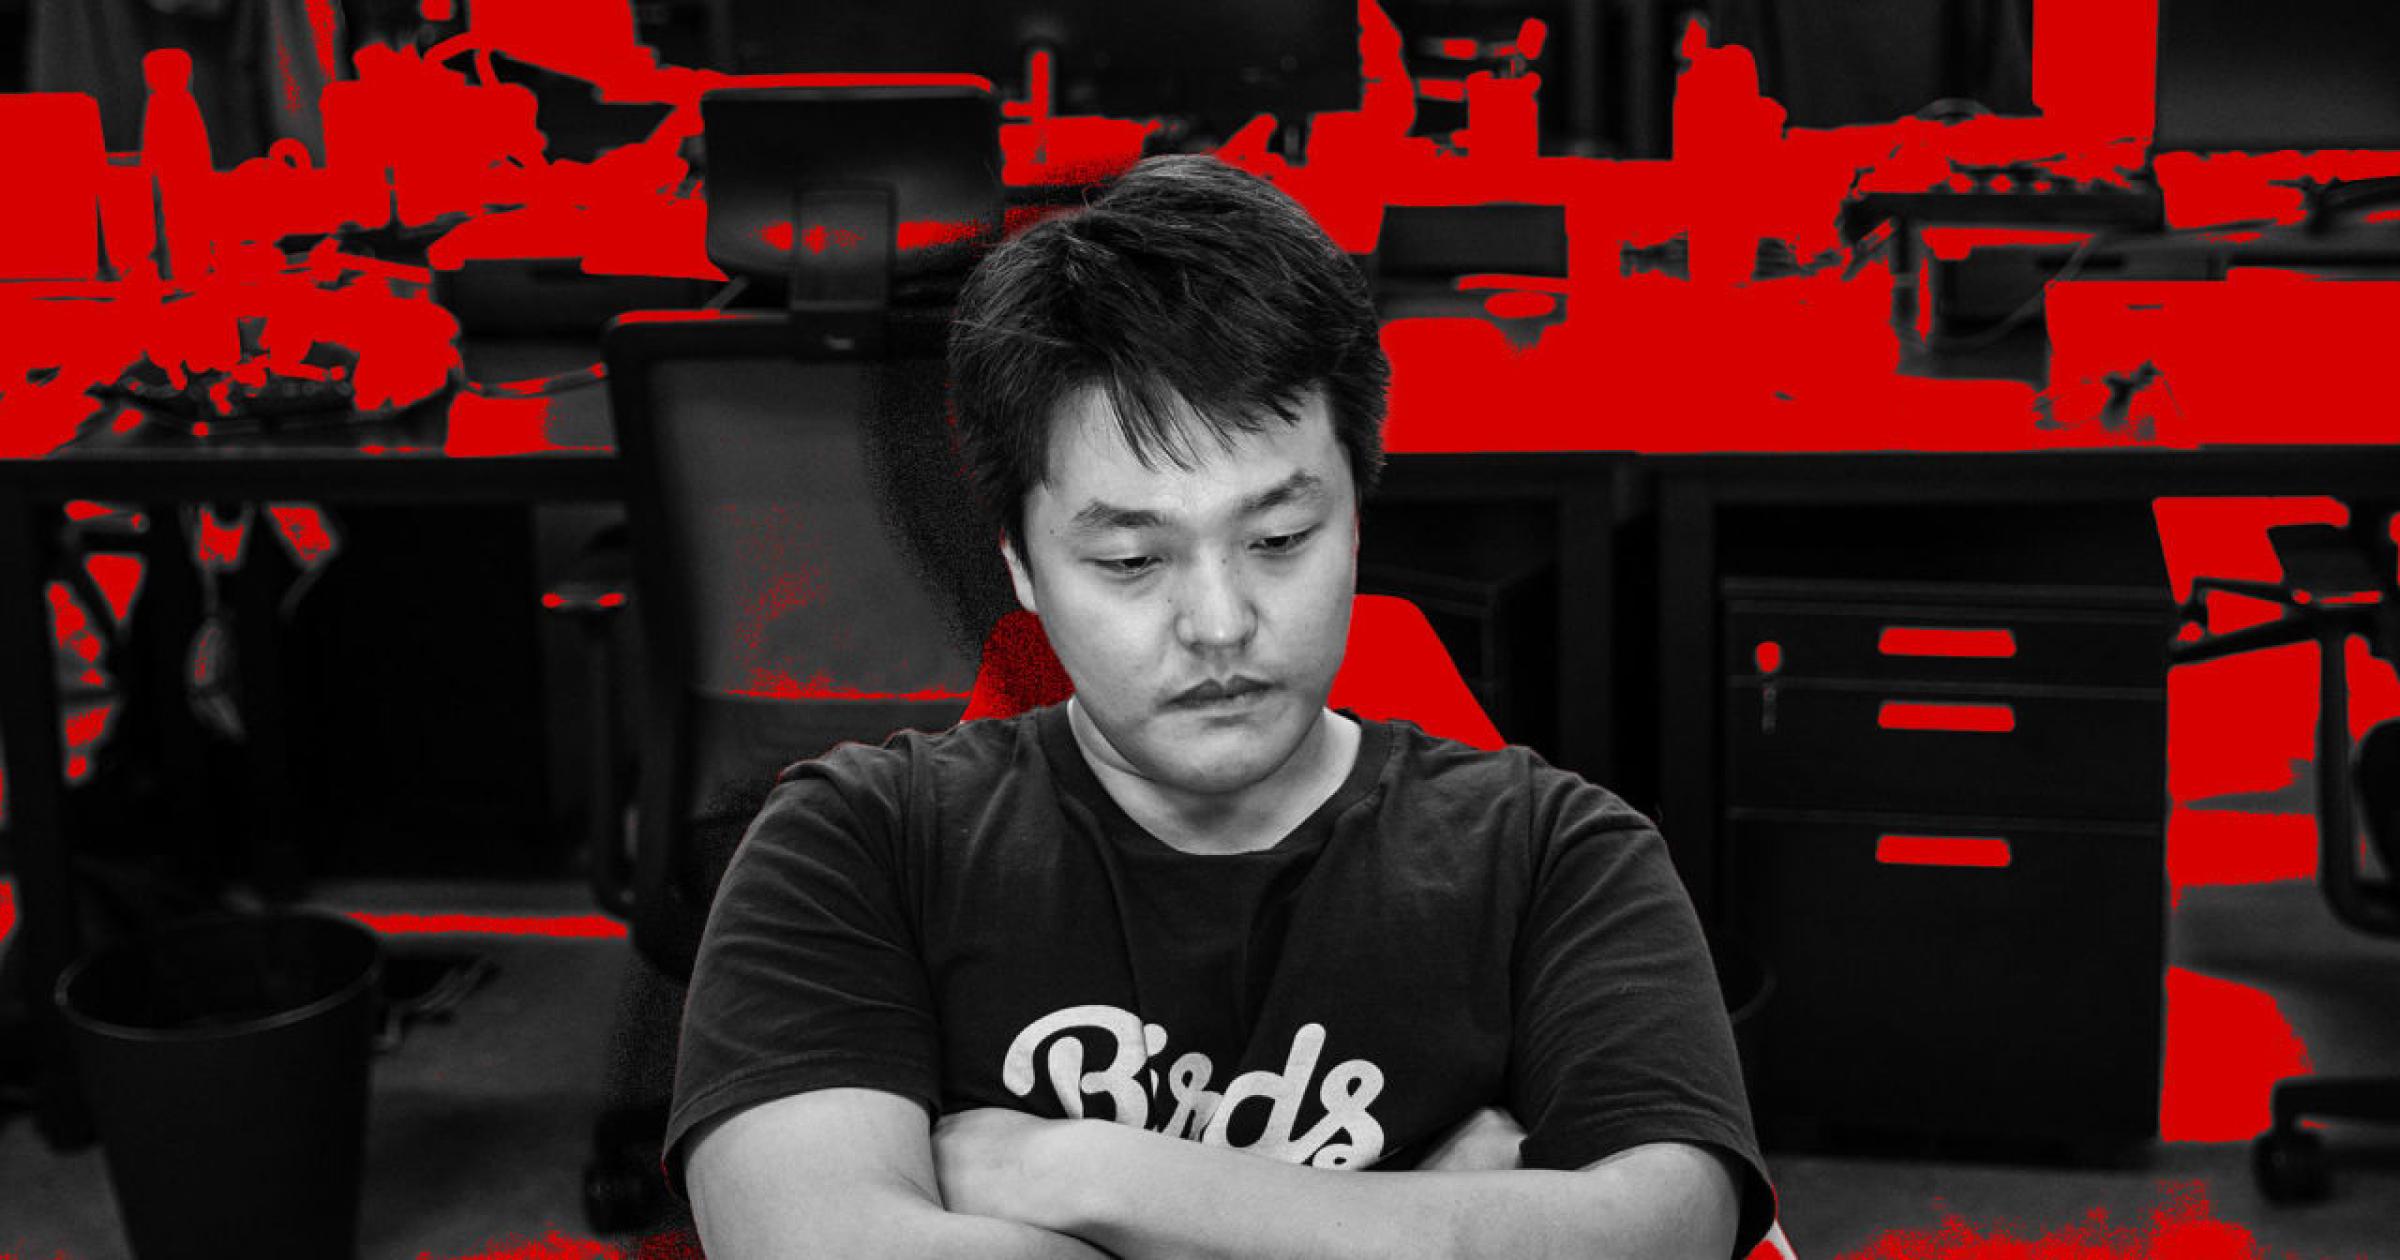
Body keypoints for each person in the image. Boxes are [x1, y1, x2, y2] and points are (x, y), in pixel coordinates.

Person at [667, 153, 1777, 1259]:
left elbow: (1673, 1229)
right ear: (1021, 567)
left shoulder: (1557, 857)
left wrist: (1087, 1176)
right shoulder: (854, 847)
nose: (1218, 623)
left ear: (1355, 523)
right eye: (1130, 559)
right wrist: (1436, 1229)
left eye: (1279, 539)